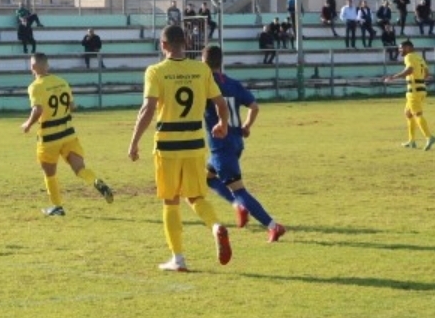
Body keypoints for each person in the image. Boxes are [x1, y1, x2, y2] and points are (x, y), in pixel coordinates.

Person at [127, 24, 232, 272]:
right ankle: (216, 226)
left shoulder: (155, 71)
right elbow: (220, 103)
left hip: (168, 145)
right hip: (195, 144)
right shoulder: (201, 70)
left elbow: (148, 109)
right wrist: (223, 124)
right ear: (185, 42)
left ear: (163, 45)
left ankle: (178, 258)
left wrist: (134, 142)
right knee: (195, 196)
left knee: (171, 201)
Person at [201, 45, 286, 243]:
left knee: (238, 189)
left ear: (203, 63)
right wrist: (246, 126)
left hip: (221, 145)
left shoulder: (206, 85)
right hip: (236, 141)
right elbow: (254, 107)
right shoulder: (232, 83)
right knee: (208, 177)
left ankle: (273, 226)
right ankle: (237, 205)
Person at [21, 52, 114, 217]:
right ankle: (96, 182)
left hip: (49, 137)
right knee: (80, 168)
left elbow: (38, 109)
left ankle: (57, 206)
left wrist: (28, 124)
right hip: (68, 134)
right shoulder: (62, 82)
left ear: (33, 67)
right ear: (47, 65)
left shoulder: (35, 86)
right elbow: (72, 106)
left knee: (49, 174)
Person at [383, 39, 435, 150]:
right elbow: (426, 73)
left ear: (408, 47)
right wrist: (419, 80)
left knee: (417, 114)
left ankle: (429, 137)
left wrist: (393, 77)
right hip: (421, 89)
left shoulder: (409, 57)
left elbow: (409, 70)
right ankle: (411, 141)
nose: (399, 50)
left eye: (401, 48)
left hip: (414, 91)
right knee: (408, 113)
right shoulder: (419, 57)